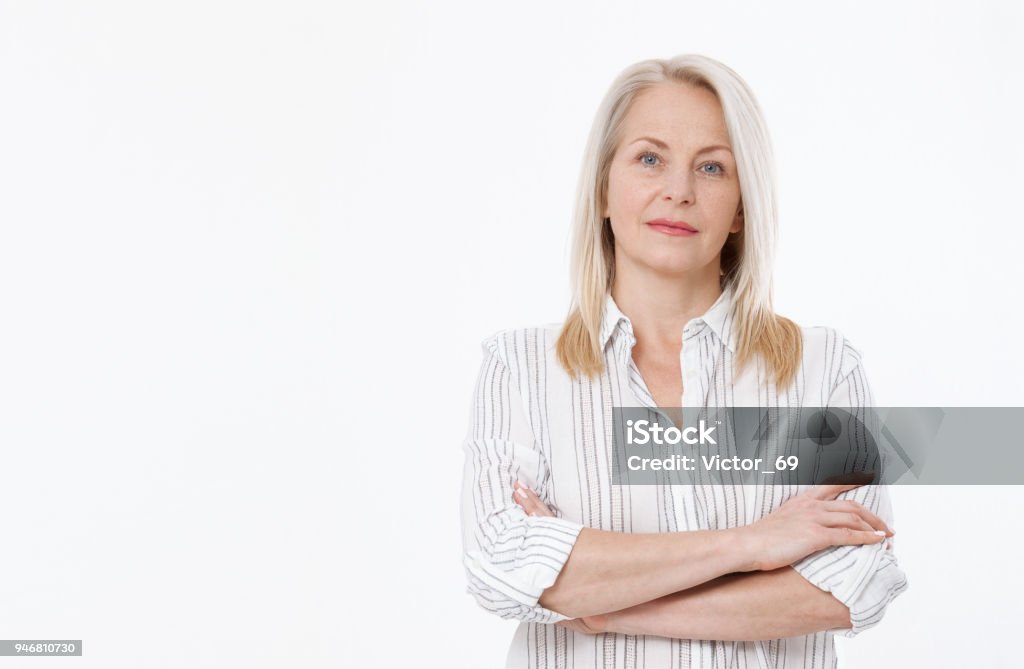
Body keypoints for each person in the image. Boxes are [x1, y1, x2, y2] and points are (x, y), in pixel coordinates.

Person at [459, 54, 907, 669]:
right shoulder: (521, 367)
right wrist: (752, 545)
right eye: (649, 158)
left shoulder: (823, 367)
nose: (680, 190)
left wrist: (603, 602)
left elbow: (856, 580)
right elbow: (502, 563)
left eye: (713, 167)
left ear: (742, 209)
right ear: (603, 191)